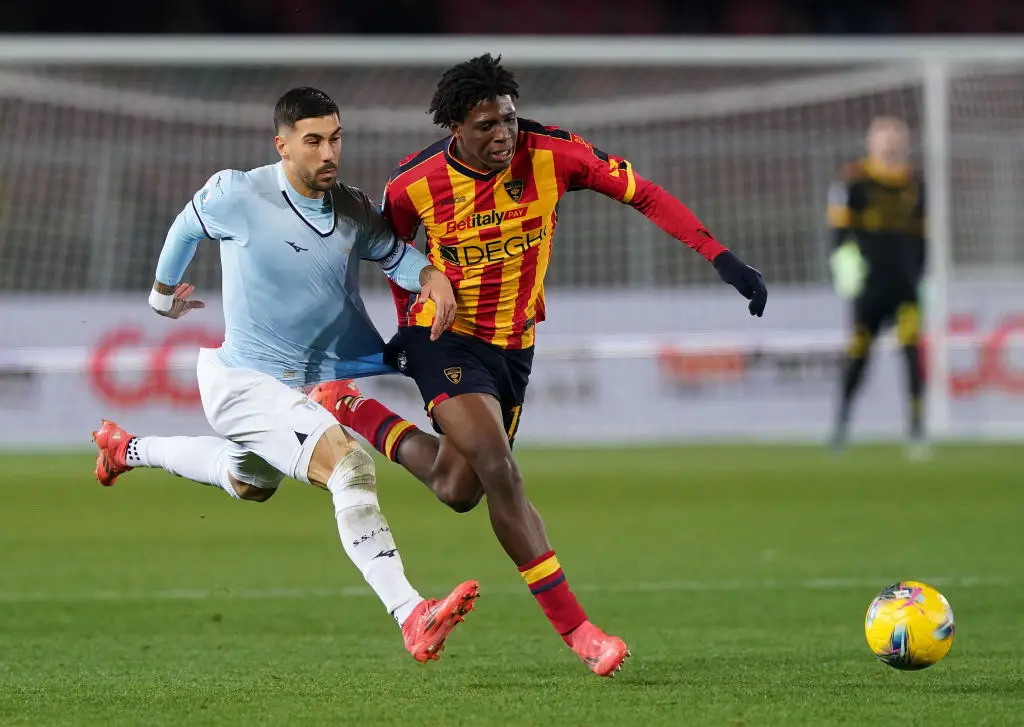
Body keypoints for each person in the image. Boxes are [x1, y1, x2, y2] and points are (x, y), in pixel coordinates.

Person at [311, 54, 767, 677]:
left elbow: (645, 194)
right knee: (499, 467)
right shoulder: (412, 184)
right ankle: (579, 632)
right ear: (454, 128)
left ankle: (349, 406)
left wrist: (722, 258)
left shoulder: (555, 154)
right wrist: (406, 328)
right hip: (446, 340)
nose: (503, 135)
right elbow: (390, 255)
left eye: (510, 120)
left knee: (457, 487)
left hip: (514, 346)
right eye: (486, 125)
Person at [92, 86, 477, 664]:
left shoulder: (350, 208)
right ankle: (411, 613)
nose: (329, 153)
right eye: (314, 141)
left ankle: (127, 450)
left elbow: (395, 254)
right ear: (283, 145)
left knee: (246, 482)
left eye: (336, 138)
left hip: (297, 390)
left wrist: (431, 277)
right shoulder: (237, 193)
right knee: (349, 465)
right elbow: (184, 227)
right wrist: (160, 296)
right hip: (243, 383)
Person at [827, 116, 927, 458]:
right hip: (869, 288)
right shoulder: (854, 181)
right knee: (858, 355)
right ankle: (841, 426)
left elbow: (922, 237)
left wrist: (924, 278)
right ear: (871, 142)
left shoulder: (915, 182)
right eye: (884, 138)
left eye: (897, 138)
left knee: (912, 354)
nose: (891, 145)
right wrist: (845, 270)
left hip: (906, 286)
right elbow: (839, 234)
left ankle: (916, 431)